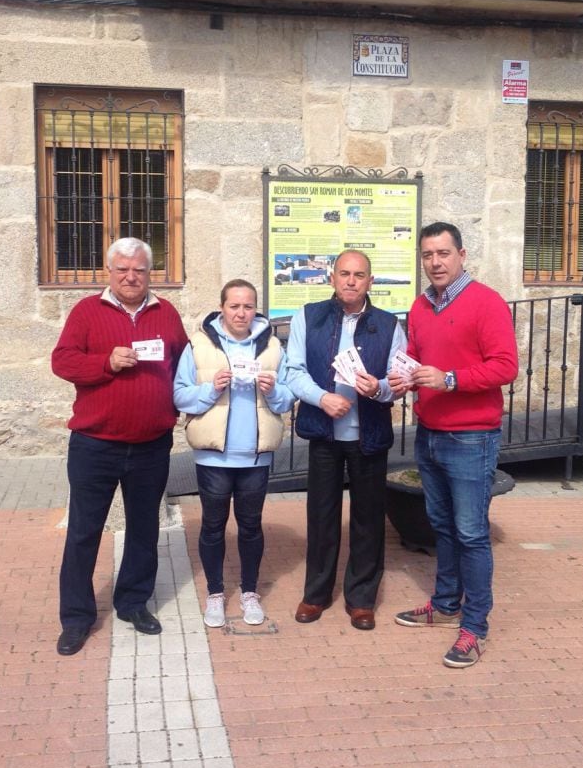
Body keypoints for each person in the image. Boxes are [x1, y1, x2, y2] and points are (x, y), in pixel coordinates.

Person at [51, 237, 188, 656]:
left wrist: (185, 406)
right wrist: (104, 363)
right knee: (83, 533)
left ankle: (133, 603)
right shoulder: (87, 312)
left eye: (140, 270)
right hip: (95, 445)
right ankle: (76, 617)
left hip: (151, 445)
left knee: (145, 530)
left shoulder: (166, 313)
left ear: (150, 273)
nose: (131, 277)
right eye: (123, 269)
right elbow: (62, 361)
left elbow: (183, 363)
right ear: (109, 272)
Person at [390, 222, 518, 668]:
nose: (435, 262)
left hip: (471, 436)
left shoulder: (487, 303)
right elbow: (417, 358)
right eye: (428, 255)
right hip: (430, 432)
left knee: (471, 533)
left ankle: (475, 627)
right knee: (441, 527)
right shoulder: (421, 306)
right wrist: (404, 377)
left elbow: (505, 366)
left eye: (443, 253)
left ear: (461, 254)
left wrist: (450, 380)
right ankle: (445, 605)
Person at [286, 250, 407, 631]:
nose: (351, 281)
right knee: (321, 516)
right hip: (324, 433)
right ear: (332, 278)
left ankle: (361, 598)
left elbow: (398, 380)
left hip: (368, 436)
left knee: (368, 518)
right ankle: (316, 593)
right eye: (344, 273)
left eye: (359, 275)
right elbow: (293, 371)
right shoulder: (308, 316)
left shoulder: (390, 325)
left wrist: (380, 388)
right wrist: (321, 398)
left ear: (371, 281)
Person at [174, 280, 294, 628]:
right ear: (222, 308)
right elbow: (180, 395)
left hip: (255, 455)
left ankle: (250, 592)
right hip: (213, 456)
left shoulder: (271, 346)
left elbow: (288, 398)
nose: (241, 313)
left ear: (255, 309)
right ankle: (215, 593)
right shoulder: (198, 344)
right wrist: (212, 389)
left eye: (248, 306)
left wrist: (274, 392)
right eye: (234, 306)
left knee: (251, 526)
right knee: (213, 526)